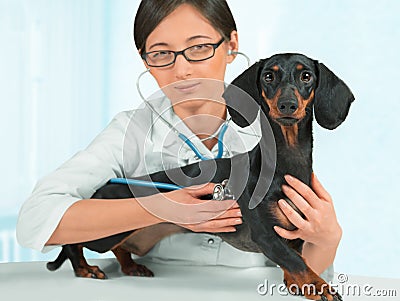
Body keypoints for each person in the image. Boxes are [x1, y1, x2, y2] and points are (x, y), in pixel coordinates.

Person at [17, 0, 342, 279]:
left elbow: (309, 268)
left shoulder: (282, 124)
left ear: (231, 45)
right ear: (144, 60)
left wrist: (327, 237)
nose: (182, 69)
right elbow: (34, 220)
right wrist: (159, 208)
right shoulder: (129, 132)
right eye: (161, 54)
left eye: (199, 47)